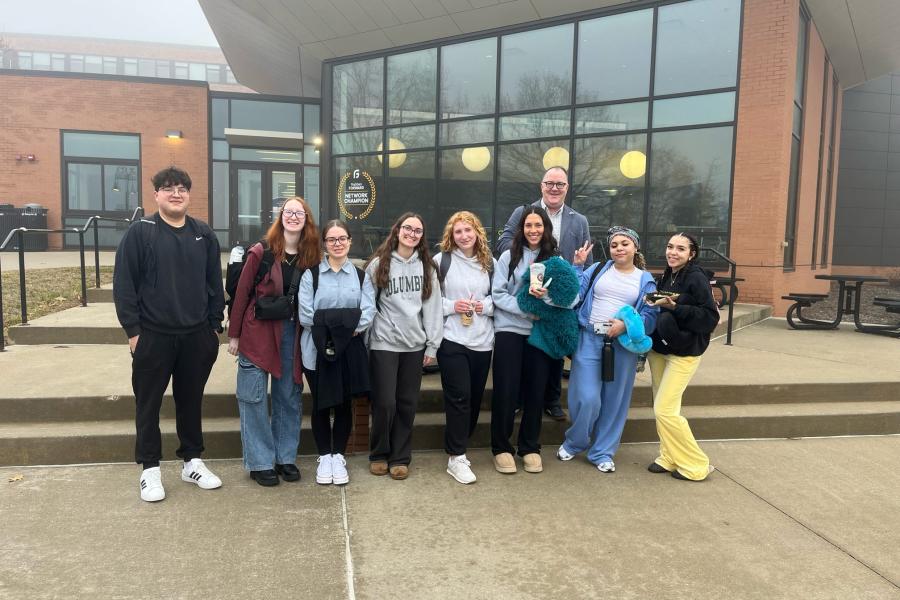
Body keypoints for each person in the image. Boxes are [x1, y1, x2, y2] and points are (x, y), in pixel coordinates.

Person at [113, 166, 224, 502]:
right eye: (168, 188)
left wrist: (213, 327)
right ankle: (150, 469)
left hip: (195, 337)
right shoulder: (140, 232)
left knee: (191, 402)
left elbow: (213, 284)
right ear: (156, 194)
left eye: (182, 188)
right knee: (148, 405)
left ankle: (192, 462)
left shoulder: (203, 234)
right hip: (153, 336)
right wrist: (134, 332)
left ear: (189, 195)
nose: (176, 193)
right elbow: (124, 286)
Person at [226, 197, 320, 486]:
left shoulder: (311, 256)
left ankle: (285, 457)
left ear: (307, 219)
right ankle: (260, 461)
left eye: (299, 212)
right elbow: (241, 293)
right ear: (281, 217)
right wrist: (235, 335)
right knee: (253, 397)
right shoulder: (261, 251)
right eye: (288, 212)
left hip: (292, 333)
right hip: (257, 332)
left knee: (288, 397)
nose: (293, 216)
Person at [557, 226, 658, 474]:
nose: (619, 248)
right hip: (589, 338)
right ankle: (575, 441)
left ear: (635, 247)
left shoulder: (646, 280)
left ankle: (602, 452)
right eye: (614, 245)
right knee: (587, 397)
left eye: (625, 243)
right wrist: (577, 266)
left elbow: (651, 315)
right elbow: (574, 294)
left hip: (622, 346)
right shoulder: (599, 268)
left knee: (615, 401)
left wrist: (625, 325)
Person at [496, 166, 592, 421]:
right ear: (541, 185)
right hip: (524, 288)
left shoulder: (578, 219)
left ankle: (551, 400)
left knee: (554, 350)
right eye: (550, 183)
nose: (554, 188)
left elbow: (585, 257)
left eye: (560, 184)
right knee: (526, 354)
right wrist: (530, 255)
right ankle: (518, 399)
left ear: (567, 188)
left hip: (558, 292)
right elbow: (505, 240)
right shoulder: (523, 212)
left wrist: (570, 267)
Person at [491, 206, 579, 475]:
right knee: (506, 390)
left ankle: (530, 447)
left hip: (540, 334)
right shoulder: (509, 256)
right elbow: (497, 294)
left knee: (535, 392)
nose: (533, 230)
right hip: (509, 330)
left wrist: (546, 300)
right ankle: (501, 447)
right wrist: (528, 308)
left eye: (538, 226)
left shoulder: (556, 259)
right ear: (521, 228)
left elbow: (571, 297)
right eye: (528, 225)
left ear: (546, 229)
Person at [365, 213, 443, 480]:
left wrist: (432, 346)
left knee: (407, 403)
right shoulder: (378, 265)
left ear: (422, 237)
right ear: (397, 230)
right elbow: (368, 305)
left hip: (414, 345)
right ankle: (378, 453)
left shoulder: (427, 268)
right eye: (407, 228)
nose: (412, 233)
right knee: (385, 402)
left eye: (418, 230)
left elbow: (433, 309)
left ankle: (400, 456)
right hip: (384, 342)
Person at [298, 219, 375, 486]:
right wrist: (345, 325)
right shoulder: (312, 276)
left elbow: (367, 313)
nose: (338, 244)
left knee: (344, 404)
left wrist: (338, 327)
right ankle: (324, 456)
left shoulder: (361, 276)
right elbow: (306, 315)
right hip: (315, 352)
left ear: (350, 241)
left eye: (342, 238)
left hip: (348, 352)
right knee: (321, 404)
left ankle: (338, 456)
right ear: (325, 244)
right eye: (332, 239)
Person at [646, 233, 719, 481]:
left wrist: (675, 307)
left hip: (685, 353)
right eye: (669, 247)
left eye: (680, 248)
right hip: (660, 350)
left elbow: (710, 318)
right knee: (666, 406)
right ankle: (669, 456)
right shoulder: (667, 274)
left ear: (692, 254)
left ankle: (696, 465)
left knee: (664, 410)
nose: (673, 252)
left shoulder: (696, 278)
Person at [433, 211, 495, 484]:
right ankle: (457, 457)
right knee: (459, 397)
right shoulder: (440, 261)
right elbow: (431, 300)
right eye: (458, 232)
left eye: (468, 230)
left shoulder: (489, 262)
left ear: (477, 232)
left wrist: (485, 306)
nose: (464, 236)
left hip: (482, 341)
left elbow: (499, 297)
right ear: (451, 235)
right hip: (452, 339)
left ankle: (455, 444)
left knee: (473, 400)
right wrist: (452, 306)